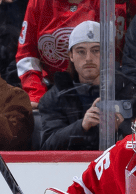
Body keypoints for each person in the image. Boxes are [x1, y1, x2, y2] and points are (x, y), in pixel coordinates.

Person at [16, 0, 126, 104]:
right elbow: (26, 54)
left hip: (96, 92)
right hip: (49, 90)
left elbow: (116, 55)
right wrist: (36, 94)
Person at [36, 20, 126, 150]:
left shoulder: (128, 89)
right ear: (71, 56)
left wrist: (123, 128)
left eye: (96, 50)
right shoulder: (55, 97)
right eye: (81, 51)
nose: (88, 58)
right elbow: (47, 147)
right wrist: (82, 126)